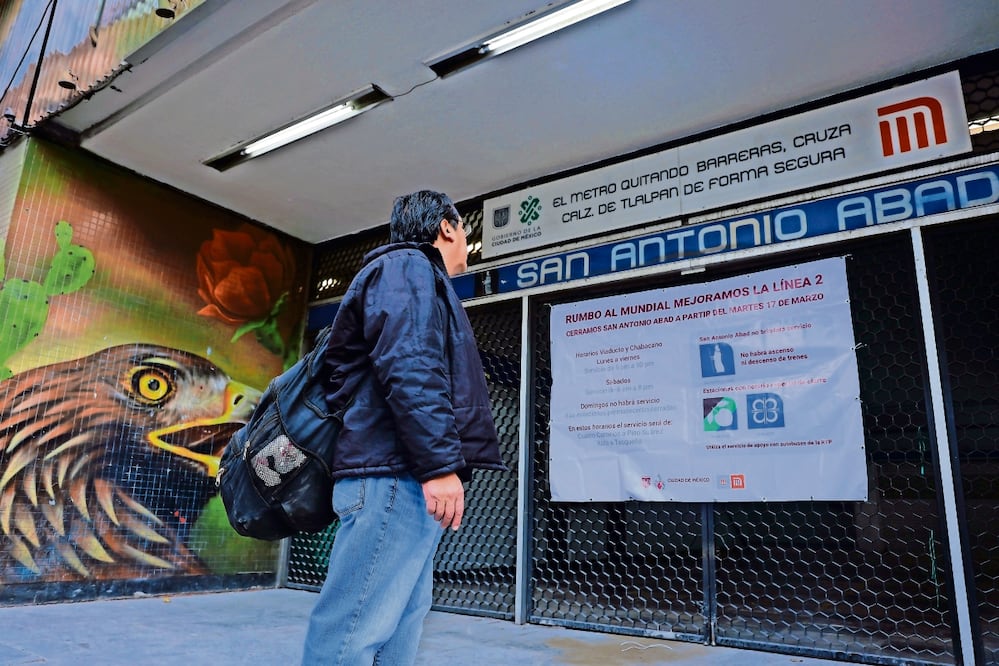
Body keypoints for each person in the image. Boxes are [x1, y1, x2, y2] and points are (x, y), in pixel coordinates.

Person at [301, 190, 506, 665]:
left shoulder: (412, 277)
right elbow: (411, 366)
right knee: (351, 631)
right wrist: (438, 466)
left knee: (398, 627)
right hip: (392, 478)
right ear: (447, 228)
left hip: (399, 477)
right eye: (465, 236)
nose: (466, 249)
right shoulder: (407, 269)